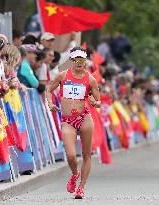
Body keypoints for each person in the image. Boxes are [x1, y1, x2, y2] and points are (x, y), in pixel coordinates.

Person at [46, 47, 100, 199]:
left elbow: (99, 102)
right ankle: (75, 174)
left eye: (81, 60)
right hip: (68, 120)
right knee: (71, 156)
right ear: (71, 60)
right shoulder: (62, 76)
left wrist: (94, 102)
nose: (79, 63)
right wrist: (50, 103)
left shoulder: (90, 79)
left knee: (87, 154)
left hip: (84, 119)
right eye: (76, 59)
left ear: (85, 61)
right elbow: (49, 90)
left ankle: (81, 188)